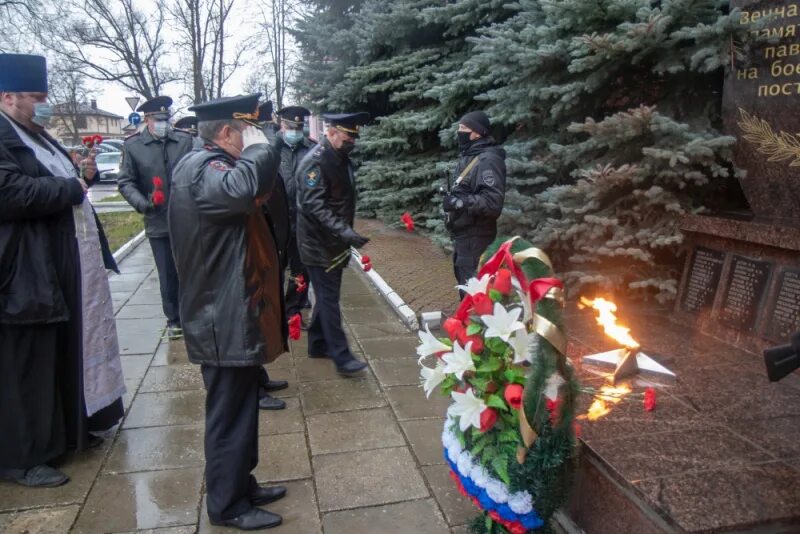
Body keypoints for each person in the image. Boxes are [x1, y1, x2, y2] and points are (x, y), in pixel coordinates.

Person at [0, 54, 125, 488]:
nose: (43, 105)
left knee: (60, 353)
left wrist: (80, 173)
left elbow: (63, 182)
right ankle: (22, 457)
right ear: (7, 95)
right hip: (21, 272)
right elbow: (10, 192)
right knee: (24, 366)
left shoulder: (34, 134)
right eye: (36, 98)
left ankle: (68, 432)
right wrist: (70, 186)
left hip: (58, 267)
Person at [169, 94, 287, 530]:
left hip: (230, 310)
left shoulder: (206, 165)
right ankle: (226, 504)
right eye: (245, 132)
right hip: (220, 316)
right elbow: (241, 192)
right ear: (225, 133)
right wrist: (260, 148)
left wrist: (254, 149)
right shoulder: (205, 169)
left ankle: (242, 483)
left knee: (241, 408)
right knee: (227, 416)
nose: (252, 139)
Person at [295, 112, 370, 376]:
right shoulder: (316, 162)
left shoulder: (340, 157)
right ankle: (342, 356)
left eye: (354, 137)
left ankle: (317, 344)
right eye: (348, 136)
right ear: (332, 132)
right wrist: (345, 232)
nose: (352, 141)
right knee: (328, 300)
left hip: (333, 241)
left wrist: (344, 233)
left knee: (328, 296)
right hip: (318, 244)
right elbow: (313, 205)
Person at [118, 96, 194, 338]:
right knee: (168, 273)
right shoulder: (133, 146)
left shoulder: (185, 141)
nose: (163, 124)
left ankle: (194, 314)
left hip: (187, 219)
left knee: (192, 270)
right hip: (157, 219)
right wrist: (143, 203)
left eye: (166, 119)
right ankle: (174, 320)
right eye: (158, 119)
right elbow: (126, 182)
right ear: (147, 120)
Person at [244, 101, 289, 412]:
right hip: (248, 252)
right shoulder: (242, 160)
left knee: (261, 317)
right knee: (250, 320)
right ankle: (252, 390)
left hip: (265, 241)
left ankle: (258, 376)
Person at [441, 110, 506, 297]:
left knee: (475, 295)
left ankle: (474, 324)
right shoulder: (471, 156)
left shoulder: (488, 160)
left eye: (463, 128)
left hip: (476, 238)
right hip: (465, 237)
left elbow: (493, 203)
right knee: (466, 289)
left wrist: (459, 202)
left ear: (477, 132)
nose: (458, 132)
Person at [276, 106, 313, 324]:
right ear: (282, 125)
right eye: (291, 127)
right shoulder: (270, 150)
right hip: (277, 221)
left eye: (299, 128)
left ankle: (293, 310)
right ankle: (274, 309)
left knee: (300, 270)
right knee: (275, 268)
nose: (295, 131)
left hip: (302, 221)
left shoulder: (311, 150)